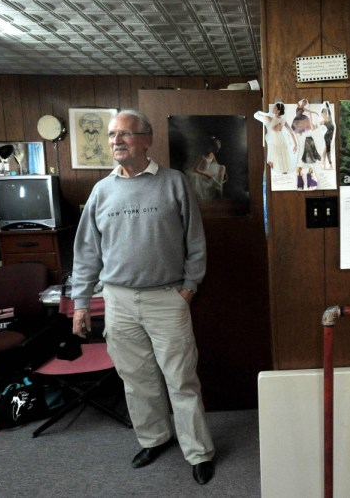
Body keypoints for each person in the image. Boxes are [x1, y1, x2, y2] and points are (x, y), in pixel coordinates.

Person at [70, 109, 215, 485]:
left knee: (181, 379)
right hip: (118, 301)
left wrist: (189, 287)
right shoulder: (102, 191)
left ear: (147, 140)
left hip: (167, 298)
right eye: (112, 134)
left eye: (126, 134)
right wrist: (81, 303)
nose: (117, 140)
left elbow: (195, 241)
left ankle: (198, 452)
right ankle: (155, 438)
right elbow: (86, 252)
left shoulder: (174, 183)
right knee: (136, 380)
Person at [254, 103, 297, 173]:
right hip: (275, 140)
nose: (273, 109)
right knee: (277, 159)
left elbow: (291, 132)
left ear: (278, 111)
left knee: (279, 158)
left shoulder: (278, 120)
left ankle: (279, 173)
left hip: (278, 140)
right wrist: (259, 114)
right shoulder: (272, 119)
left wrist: (296, 144)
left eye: (274, 108)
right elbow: (257, 115)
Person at [187, 135, 227, 200]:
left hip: (207, 170)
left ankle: (220, 185)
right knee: (210, 177)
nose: (216, 151)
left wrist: (224, 172)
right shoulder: (202, 156)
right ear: (211, 147)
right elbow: (195, 169)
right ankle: (219, 186)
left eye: (217, 149)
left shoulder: (212, 154)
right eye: (215, 149)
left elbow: (216, 164)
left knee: (223, 167)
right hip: (200, 172)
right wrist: (206, 174)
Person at [320, 103, 335, 169]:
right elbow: (321, 130)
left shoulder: (330, 118)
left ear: (326, 113)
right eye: (322, 115)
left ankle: (323, 162)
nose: (323, 116)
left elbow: (329, 111)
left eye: (323, 114)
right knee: (328, 150)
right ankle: (330, 164)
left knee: (325, 150)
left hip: (331, 136)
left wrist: (327, 106)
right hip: (327, 137)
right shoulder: (322, 122)